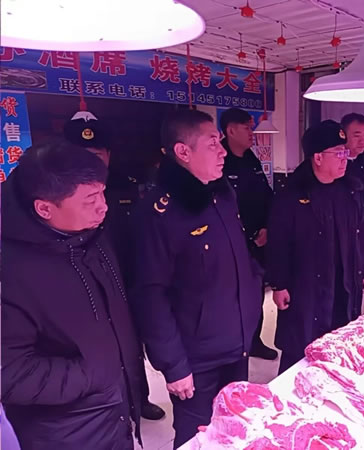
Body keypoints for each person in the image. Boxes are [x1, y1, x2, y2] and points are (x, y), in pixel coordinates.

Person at [129, 109, 262, 449]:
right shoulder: (158, 213)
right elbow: (150, 296)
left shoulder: (222, 193)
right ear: (183, 152)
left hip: (236, 343)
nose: (222, 151)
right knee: (197, 439)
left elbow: (237, 258)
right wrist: (173, 365)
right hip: (196, 359)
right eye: (212, 143)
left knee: (233, 428)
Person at [1, 140, 143, 450]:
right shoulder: (10, 269)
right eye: (90, 199)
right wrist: (92, 374)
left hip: (115, 412)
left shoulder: (91, 234)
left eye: (102, 192)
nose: (103, 206)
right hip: (65, 432)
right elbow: (8, 372)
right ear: (44, 208)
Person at [63, 112, 166, 421]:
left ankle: (139, 399)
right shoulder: (61, 196)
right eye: (82, 155)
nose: (90, 162)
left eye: (96, 155)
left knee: (132, 343)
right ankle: (111, 407)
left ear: (107, 155)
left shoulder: (126, 185)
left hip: (127, 279)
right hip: (85, 286)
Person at [267, 120, 364, 375]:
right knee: (300, 347)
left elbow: (361, 233)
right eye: (338, 153)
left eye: (345, 152)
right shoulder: (292, 195)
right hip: (305, 285)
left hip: (343, 281)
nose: (344, 159)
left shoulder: (350, 190)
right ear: (317, 157)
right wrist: (279, 284)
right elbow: (278, 243)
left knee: (339, 338)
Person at [220, 108, 277, 361]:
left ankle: (254, 340)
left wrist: (266, 227)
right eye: (247, 128)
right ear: (231, 130)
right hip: (231, 243)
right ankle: (234, 343)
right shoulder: (221, 162)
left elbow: (266, 196)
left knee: (255, 293)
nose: (252, 133)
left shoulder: (251, 159)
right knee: (231, 297)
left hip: (258, 241)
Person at [341, 113, 364, 222]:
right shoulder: (335, 161)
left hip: (363, 220)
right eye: (356, 136)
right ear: (343, 135)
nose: (362, 141)